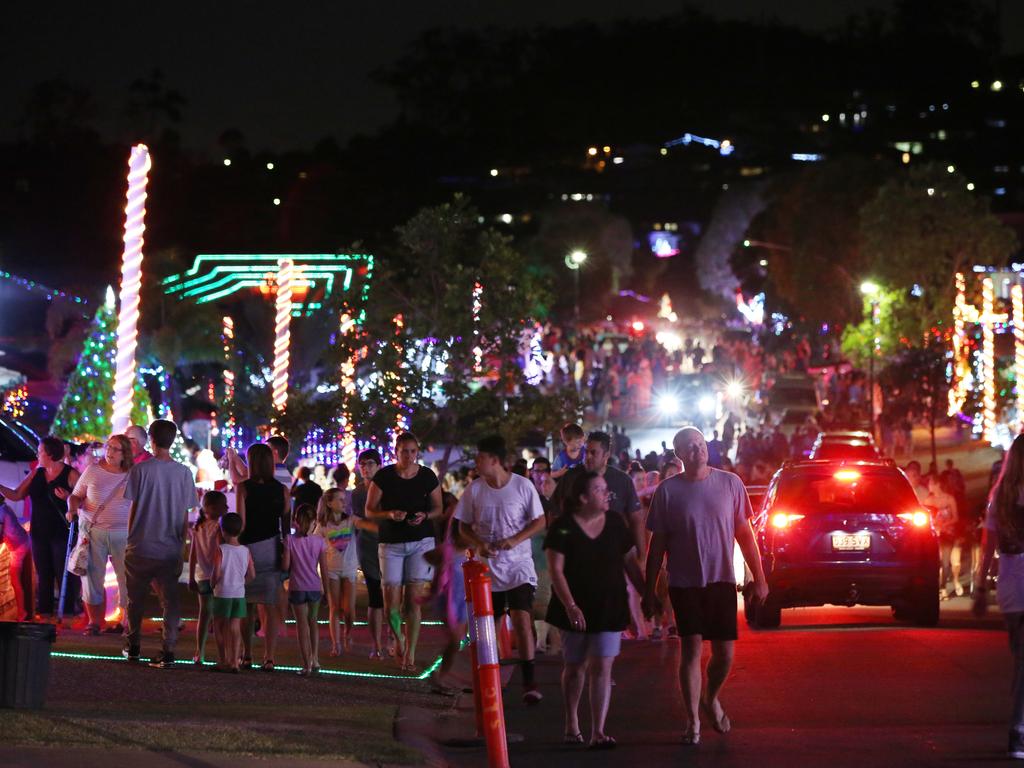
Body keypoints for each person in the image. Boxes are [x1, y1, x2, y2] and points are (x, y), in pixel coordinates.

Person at [643, 427, 769, 745]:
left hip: (721, 579)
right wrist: (649, 588)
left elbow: (745, 534)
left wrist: (760, 577)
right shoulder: (667, 492)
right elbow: (656, 546)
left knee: (724, 654)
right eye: (689, 447)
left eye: (700, 444)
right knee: (691, 650)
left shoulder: (730, 483)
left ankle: (710, 697)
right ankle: (693, 721)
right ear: (679, 455)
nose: (697, 450)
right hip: (685, 582)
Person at [546, 470, 645, 748]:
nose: (607, 495)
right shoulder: (563, 526)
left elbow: (628, 561)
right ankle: (572, 723)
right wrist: (571, 606)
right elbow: (556, 570)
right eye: (600, 490)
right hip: (574, 608)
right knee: (575, 667)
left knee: (602, 666)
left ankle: (598, 731)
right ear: (583, 497)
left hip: (609, 605)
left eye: (606, 490)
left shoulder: (614, 522)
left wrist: (646, 595)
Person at [456, 435, 548, 704]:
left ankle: (529, 681)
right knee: (489, 626)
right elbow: (462, 526)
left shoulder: (522, 486)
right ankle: (491, 680)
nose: (476, 463)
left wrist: (515, 540)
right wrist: (479, 544)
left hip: (519, 565)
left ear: (494, 460)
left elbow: (540, 520)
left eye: (480, 458)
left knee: (521, 618)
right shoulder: (474, 490)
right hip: (488, 570)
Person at [123, 420, 198, 667]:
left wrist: (131, 537)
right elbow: (187, 512)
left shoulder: (140, 470)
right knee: (170, 600)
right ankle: (169, 648)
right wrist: (181, 541)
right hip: (169, 545)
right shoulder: (184, 473)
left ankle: (133, 645)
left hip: (141, 543)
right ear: (173, 439)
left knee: (135, 599)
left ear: (151, 439)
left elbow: (133, 507)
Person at [366, 432, 442, 672]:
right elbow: (369, 510)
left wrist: (425, 516)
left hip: (421, 541)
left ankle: (410, 651)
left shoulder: (427, 476)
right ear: (395, 452)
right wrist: (389, 514)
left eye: (412, 451)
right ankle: (398, 640)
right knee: (391, 604)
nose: (409, 456)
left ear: (417, 452)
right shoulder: (384, 476)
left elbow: (438, 508)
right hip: (391, 542)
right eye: (404, 451)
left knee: (414, 601)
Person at [974, 434, 1024, 759]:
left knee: (1021, 660)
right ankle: (1018, 730)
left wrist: (980, 587)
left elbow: (987, 545)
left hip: (1010, 587)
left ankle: (1018, 727)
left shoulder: (1000, 497)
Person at [0, 436, 80, 620]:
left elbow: (84, 500)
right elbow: (17, 494)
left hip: (62, 531)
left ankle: (67, 614)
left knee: (63, 573)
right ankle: (44, 614)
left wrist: (68, 498)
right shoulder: (37, 472)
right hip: (39, 532)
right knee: (43, 574)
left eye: (41, 450)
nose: (37, 453)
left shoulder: (70, 474)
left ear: (50, 454)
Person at [66, 434, 133, 634]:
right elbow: (76, 495)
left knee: (126, 578)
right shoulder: (93, 470)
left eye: (115, 449)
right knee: (92, 576)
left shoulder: (133, 474)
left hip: (123, 533)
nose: (109, 452)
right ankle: (94, 622)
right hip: (94, 531)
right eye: (108, 447)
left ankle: (126, 621)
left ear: (125, 454)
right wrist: (72, 508)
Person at [237, 442, 289, 671]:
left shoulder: (243, 488)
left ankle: (246, 654)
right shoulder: (281, 489)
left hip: (249, 549)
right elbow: (285, 522)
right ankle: (269, 657)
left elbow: (242, 522)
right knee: (269, 606)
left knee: (246, 605)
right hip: (271, 548)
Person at [552, 431, 644, 557]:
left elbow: (636, 519)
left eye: (593, 452)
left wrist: (642, 555)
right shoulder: (570, 478)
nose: (587, 456)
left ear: (606, 455)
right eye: (585, 451)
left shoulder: (622, 480)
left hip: (614, 553)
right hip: (578, 554)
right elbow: (555, 513)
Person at [283, 503, 330, 676]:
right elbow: (324, 570)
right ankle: (315, 658)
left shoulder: (290, 540)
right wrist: (327, 593)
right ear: (314, 522)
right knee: (313, 622)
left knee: (301, 625)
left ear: (296, 521)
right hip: (315, 588)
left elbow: (286, 565)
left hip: (297, 588)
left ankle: (306, 665)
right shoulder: (319, 541)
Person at [313, 487, 358, 655]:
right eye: (339, 499)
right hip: (331, 570)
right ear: (330, 504)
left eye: (343, 499)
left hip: (349, 569)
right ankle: (336, 644)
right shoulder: (323, 526)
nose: (343, 502)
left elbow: (363, 524)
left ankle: (348, 632)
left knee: (349, 609)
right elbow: (314, 546)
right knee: (334, 607)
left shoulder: (351, 520)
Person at [210, 512, 254, 673]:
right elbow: (252, 574)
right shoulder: (245, 551)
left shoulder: (220, 550)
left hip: (222, 593)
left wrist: (212, 584)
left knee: (219, 626)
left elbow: (216, 573)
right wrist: (242, 583)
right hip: (238, 593)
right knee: (235, 627)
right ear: (240, 530)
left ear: (223, 530)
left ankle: (223, 659)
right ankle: (235, 661)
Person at [352, 448, 384, 658]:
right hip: (368, 548)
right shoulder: (357, 493)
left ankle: (392, 638)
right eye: (362, 464)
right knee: (375, 596)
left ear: (379, 465)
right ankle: (377, 644)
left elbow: (366, 522)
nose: (365, 468)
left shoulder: (387, 490)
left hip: (389, 546)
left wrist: (363, 523)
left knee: (391, 596)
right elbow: (358, 523)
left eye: (370, 463)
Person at [189, 490, 227, 664]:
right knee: (219, 617)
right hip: (216, 576)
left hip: (201, 576)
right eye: (223, 505)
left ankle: (199, 652)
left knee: (203, 615)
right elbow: (220, 552)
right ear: (212, 508)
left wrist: (190, 577)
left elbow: (193, 554)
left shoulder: (198, 527)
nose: (226, 507)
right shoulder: (218, 528)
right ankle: (222, 655)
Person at [925, 473, 961, 599]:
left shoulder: (949, 499)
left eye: (930, 483)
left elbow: (956, 517)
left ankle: (943, 587)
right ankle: (934, 587)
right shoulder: (928, 501)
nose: (928, 486)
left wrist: (945, 524)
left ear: (937, 484)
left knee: (945, 563)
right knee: (935, 563)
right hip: (934, 535)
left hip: (947, 534)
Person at [0, 502, 30, 620]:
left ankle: (21, 613)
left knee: (15, 580)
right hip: (21, 542)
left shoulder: (1, 511)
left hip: (18, 547)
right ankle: (22, 612)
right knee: (15, 580)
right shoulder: (4, 508)